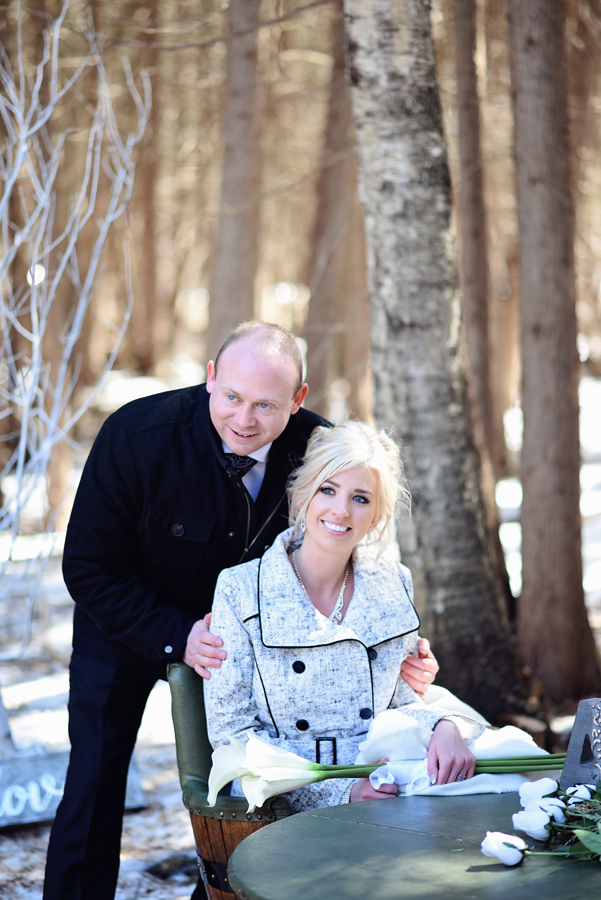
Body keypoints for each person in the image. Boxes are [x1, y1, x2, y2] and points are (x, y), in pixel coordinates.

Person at [43, 322, 439, 900]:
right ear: (210, 377)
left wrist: (393, 646)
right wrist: (177, 634)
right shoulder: (134, 434)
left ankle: (227, 889)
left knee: (245, 781)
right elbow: (88, 566)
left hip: (252, 649)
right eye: (231, 396)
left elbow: (348, 549)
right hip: (125, 627)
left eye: (266, 405)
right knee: (94, 780)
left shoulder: (319, 450)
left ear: (298, 400)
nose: (245, 419)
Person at [205, 421, 480, 810]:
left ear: (378, 516)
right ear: (304, 495)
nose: (341, 510)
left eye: (361, 498)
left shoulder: (393, 581)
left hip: (388, 781)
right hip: (282, 803)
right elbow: (232, 734)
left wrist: (445, 725)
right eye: (328, 490)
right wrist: (340, 792)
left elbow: (400, 702)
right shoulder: (240, 589)